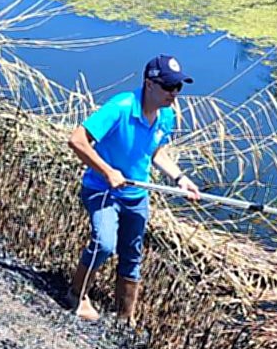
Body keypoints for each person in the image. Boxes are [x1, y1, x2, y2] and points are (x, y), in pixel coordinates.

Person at [66, 54, 200, 324]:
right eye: (168, 87)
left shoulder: (166, 116)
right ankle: (76, 295)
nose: (174, 94)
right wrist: (109, 172)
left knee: (132, 254)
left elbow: (157, 154)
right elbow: (77, 140)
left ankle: (126, 317)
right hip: (102, 189)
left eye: (178, 87)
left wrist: (180, 178)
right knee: (104, 243)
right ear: (149, 84)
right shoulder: (121, 107)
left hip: (136, 195)